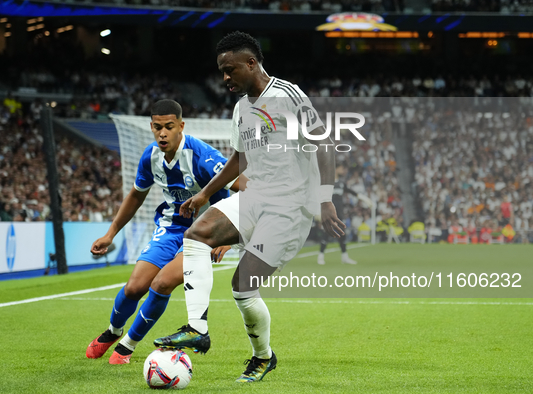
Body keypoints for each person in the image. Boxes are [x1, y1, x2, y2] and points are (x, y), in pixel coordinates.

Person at [154, 32, 344, 382]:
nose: (225, 78)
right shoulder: (241, 108)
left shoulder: (287, 95)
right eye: (222, 71)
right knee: (197, 235)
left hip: (290, 208)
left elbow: (325, 144)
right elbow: (239, 159)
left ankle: (262, 357)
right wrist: (203, 193)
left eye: (230, 70)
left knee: (243, 286)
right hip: (256, 196)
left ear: (251, 63)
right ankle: (197, 328)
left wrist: (325, 197)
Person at [86, 99, 243, 365]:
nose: (162, 132)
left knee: (162, 283)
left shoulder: (203, 156)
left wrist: (227, 238)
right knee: (135, 287)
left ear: (181, 126)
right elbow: (136, 195)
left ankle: (127, 347)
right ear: (151, 127)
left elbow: (241, 188)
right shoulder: (151, 157)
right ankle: (113, 331)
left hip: (202, 235)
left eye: (169, 126)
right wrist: (110, 233)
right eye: (157, 127)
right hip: (169, 229)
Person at [317, 166, 360, 265]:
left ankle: (344, 257)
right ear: (335, 169)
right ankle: (320, 256)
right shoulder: (326, 183)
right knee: (326, 234)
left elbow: (350, 191)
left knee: (342, 235)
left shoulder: (341, 183)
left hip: (340, 214)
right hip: (329, 214)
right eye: (341, 168)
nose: (343, 170)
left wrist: (363, 197)